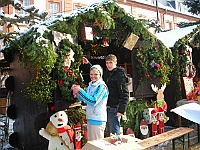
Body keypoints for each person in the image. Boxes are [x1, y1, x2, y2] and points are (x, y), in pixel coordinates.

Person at [82, 54, 129, 135]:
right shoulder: (107, 73)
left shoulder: (120, 75)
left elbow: (124, 93)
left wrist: (122, 109)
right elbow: (97, 74)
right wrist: (88, 64)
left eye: (111, 63)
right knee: (106, 132)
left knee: (114, 133)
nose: (109, 65)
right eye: (107, 63)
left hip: (114, 107)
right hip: (104, 107)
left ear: (115, 62)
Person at [71, 64, 109, 141]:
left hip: (98, 119)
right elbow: (85, 99)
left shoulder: (102, 87)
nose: (93, 76)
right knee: (91, 143)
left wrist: (80, 91)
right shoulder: (90, 86)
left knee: (97, 145)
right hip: (90, 117)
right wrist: (76, 93)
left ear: (100, 75)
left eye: (95, 74)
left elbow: (93, 101)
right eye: (91, 74)